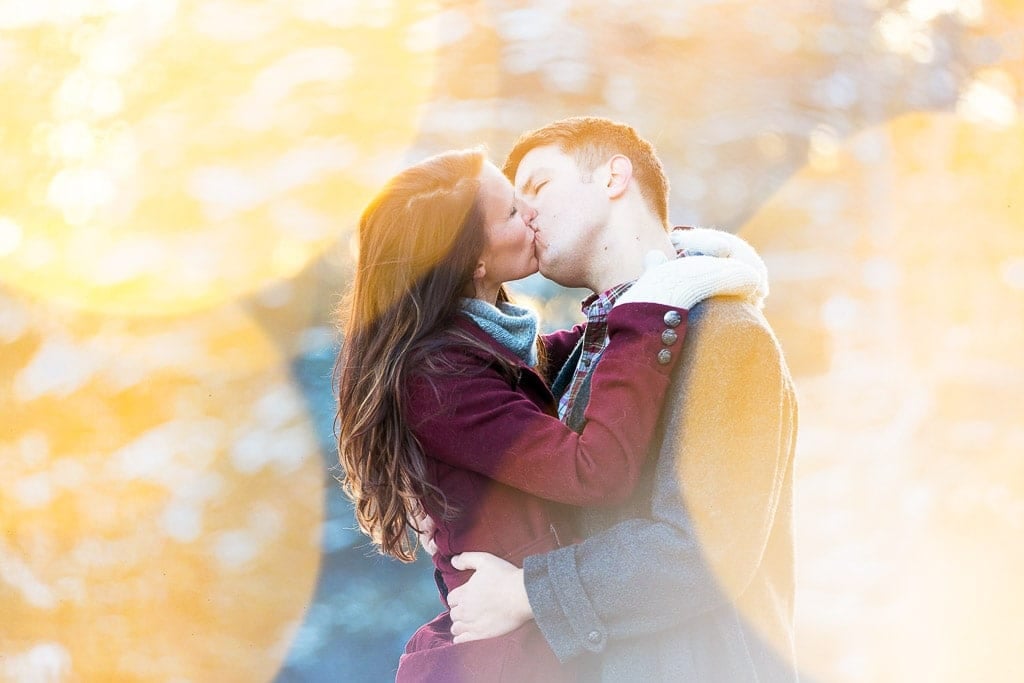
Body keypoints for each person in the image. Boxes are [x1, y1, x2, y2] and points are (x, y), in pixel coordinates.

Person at [335, 147, 767, 681]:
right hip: (511, 661)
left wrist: (687, 260)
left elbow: (584, 354)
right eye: (514, 211)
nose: (530, 212)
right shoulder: (440, 375)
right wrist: (655, 303)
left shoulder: (487, 348)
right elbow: (593, 469)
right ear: (474, 261)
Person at [437, 117, 800, 682]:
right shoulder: (589, 352)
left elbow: (705, 551)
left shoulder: (725, 334)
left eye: (538, 187)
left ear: (613, 177)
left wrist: (530, 591)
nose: (525, 213)